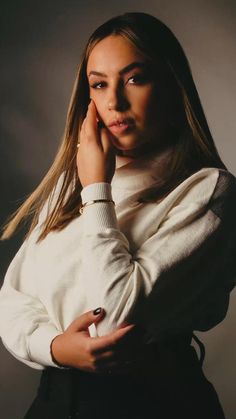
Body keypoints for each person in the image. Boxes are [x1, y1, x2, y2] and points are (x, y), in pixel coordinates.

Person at [0, 11, 235, 419]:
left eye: (134, 78)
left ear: (169, 84)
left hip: (151, 403)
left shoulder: (208, 190)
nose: (114, 102)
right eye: (99, 84)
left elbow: (114, 319)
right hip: (53, 400)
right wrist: (54, 347)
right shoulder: (71, 181)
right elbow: (10, 300)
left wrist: (97, 190)